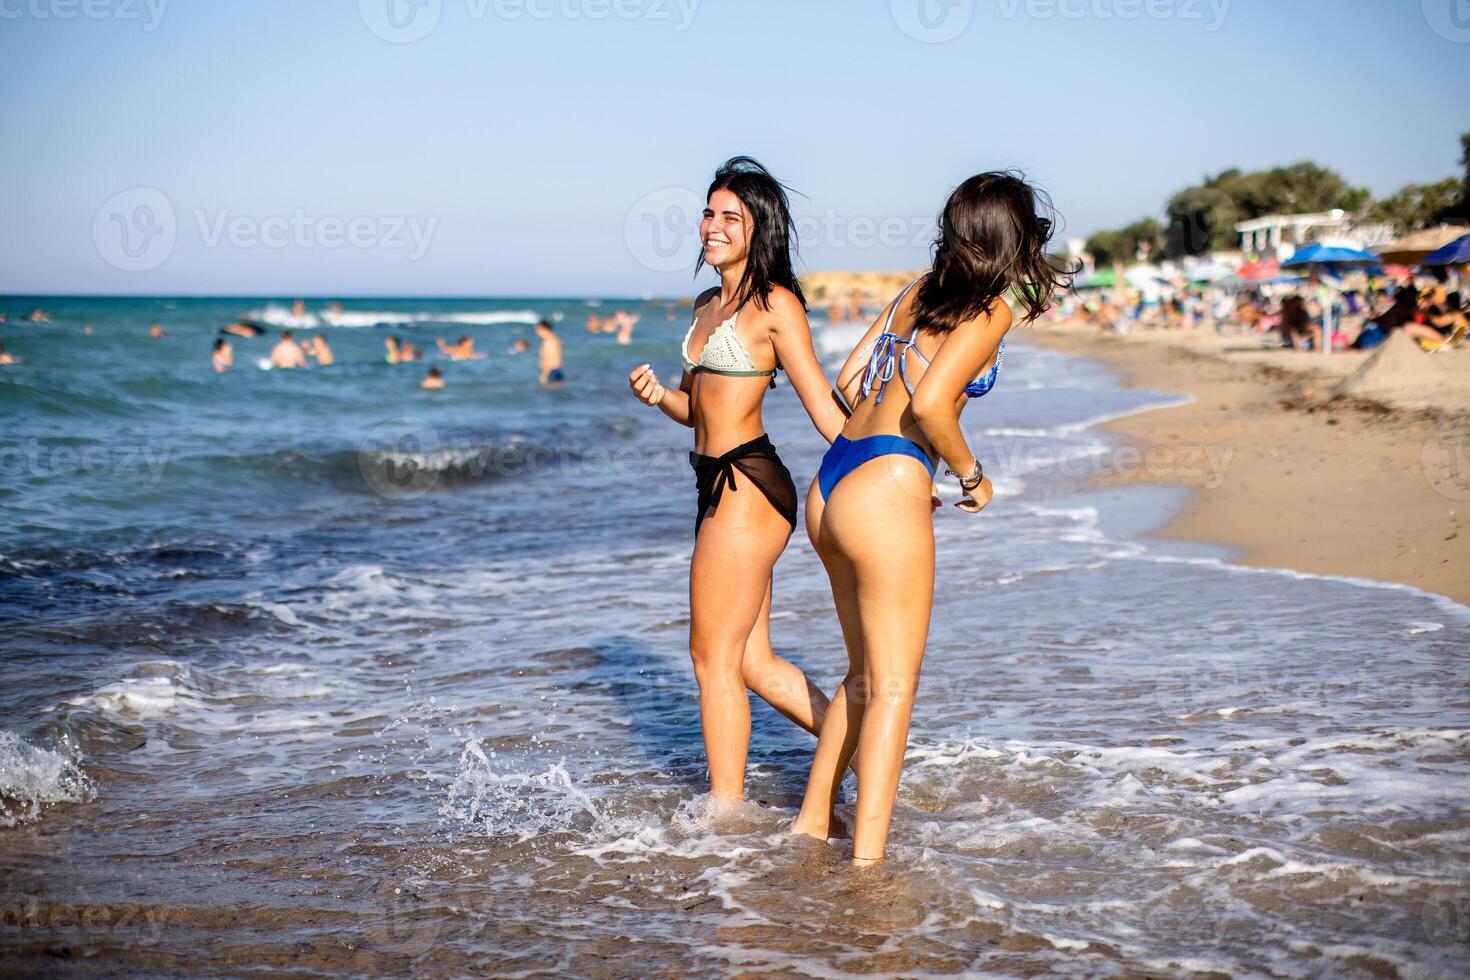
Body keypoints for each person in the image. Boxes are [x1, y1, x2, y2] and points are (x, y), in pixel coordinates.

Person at [791, 171, 1070, 863]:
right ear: (1015, 238)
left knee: (862, 675)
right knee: (892, 689)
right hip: (886, 478)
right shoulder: (992, 308)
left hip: (832, 482)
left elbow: (852, 382)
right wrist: (973, 477)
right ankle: (868, 866)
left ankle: (810, 824)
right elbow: (934, 404)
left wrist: (890, 466)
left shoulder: (917, 289)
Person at [627, 156, 848, 805]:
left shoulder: (773, 305)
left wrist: (887, 460)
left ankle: (723, 819)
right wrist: (658, 395)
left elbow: (823, 408)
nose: (713, 226)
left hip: (748, 486)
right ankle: (865, 743)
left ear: (759, 228)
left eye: (731, 216)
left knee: (708, 657)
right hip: (713, 483)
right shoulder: (704, 306)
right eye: (708, 212)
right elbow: (699, 410)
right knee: (751, 662)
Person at [535, 319, 565, 385]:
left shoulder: (551, 341)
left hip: (552, 373)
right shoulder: (548, 340)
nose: (536, 332)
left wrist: (545, 374)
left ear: (544, 328)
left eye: (538, 329)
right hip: (552, 372)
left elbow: (555, 361)